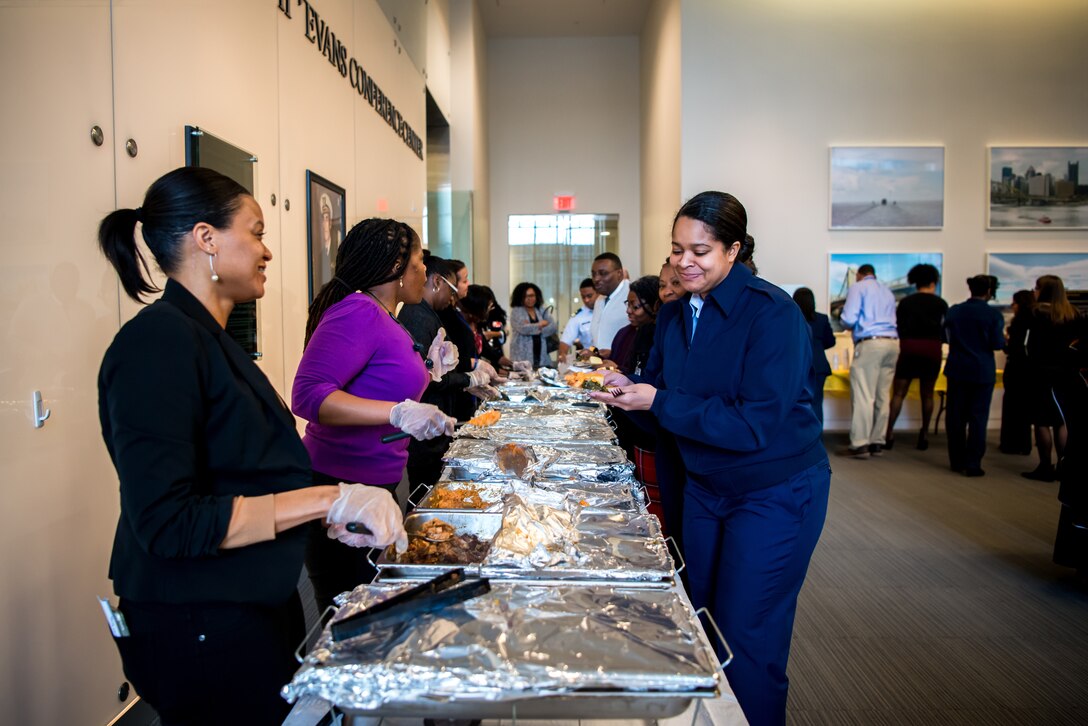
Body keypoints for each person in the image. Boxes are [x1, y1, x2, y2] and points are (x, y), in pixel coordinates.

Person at [96, 167, 406, 724]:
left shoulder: (212, 339)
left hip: (247, 600)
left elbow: (247, 471)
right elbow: (168, 521)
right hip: (197, 619)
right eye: (256, 232)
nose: (267, 251)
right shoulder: (157, 342)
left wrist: (321, 509)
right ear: (206, 239)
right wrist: (326, 498)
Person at [591, 191, 829, 726]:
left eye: (699, 250)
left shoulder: (773, 314)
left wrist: (660, 399)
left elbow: (754, 423)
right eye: (677, 249)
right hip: (703, 485)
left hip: (773, 489)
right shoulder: (675, 319)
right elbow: (670, 413)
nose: (683, 262)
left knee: (746, 637)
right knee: (696, 617)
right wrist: (628, 394)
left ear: (733, 250)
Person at [292, 218, 456, 610]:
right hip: (342, 488)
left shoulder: (386, 317)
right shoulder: (359, 311)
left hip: (374, 485)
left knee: (371, 602)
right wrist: (397, 413)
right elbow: (308, 396)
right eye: (418, 262)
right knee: (351, 612)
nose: (423, 272)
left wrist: (431, 371)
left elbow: (377, 380)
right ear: (395, 271)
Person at [399, 253, 497, 489]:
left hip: (436, 423)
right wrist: (468, 378)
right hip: (426, 429)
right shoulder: (417, 316)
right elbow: (428, 378)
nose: (453, 298)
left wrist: (470, 371)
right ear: (437, 282)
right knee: (425, 489)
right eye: (452, 290)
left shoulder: (428, 314)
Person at [944, 275, 1005, 477]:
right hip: (982, 371)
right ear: (988, 291)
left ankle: (956, 460)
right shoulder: (993, 315)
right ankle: (973, 463)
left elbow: (944, 336)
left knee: (955, 417)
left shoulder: (954, 311)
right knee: (978, 418)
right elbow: (997, 344)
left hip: (957, 369)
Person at [1022, 275, 1081, 482]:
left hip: (1040, 373)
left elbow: (1025, 345)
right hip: (1066, 373)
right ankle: (1064, 467)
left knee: (1041, 421)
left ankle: (1045, 466)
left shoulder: (1034, 313)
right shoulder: (1072, 314)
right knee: (1061, 421)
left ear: (1042, 290)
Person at [884, 264, 948, 451]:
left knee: (898, 393)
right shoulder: (941, 304)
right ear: (933, 281)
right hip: (931, 349)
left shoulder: (906, 302)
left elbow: (898, 326)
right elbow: (945, 330)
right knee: (927, 394)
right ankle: (925, 434)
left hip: (908, 347)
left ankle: (888, 433)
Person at [839, 263, 899, 458]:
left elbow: (848, 319)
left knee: (864, 393)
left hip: (870, 342)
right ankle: (877, 442)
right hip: (892, 343)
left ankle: (860, 443)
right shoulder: (887, 291)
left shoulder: (858, 287)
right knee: (882, 395)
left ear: (859, 275)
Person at [999, 290, 1036, 455]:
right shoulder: (1035, 321)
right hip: (1028, 370)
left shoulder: (1018, 323)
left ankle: (1010, 443)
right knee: (1024, 407)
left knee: (1011, 406)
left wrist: (1006, 342)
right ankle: (1024, 443)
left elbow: (1012, 348)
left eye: (1014, 303)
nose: (1012, 306)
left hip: (1015, 368)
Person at [792, 287, 835, 425]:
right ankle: (816, 440)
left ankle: (799, 439)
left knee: (795, 403)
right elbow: (830, 341)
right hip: (819, 365)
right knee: (816, 403)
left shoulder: (792, 318)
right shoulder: (822, 319)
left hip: (797, 365)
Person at [607, 275, 661, 376]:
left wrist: (617, 368)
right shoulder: (624, 333)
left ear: (655, 305)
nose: (628, 311)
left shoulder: (660, 337)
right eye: (628, 304)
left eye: (635, 306)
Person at [588, 251, 630, 357]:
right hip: (600, 366)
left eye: (603, 273)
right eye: (594, 274)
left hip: (622, 367)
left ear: (619, 274)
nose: (596, 279)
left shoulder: (631, 294)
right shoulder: (599, 300)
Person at [509, 281, 558, 368]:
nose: (530, 299)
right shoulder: (516, 311)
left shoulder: (541, 309)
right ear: (520, 297)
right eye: (526, 296)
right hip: (522, 356)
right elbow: (523, 329)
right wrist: (541, 324)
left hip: (541, 354)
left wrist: (533, 328)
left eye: (532, 295)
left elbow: (553, 327)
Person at [558, 277, 597, 362]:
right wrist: (562, 354)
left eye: (589, 296)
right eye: (583, 297)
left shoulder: (607, 311)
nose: (586, 300)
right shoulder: (578, 316)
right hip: (589, 361)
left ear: (597, 292)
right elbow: (565, 340)